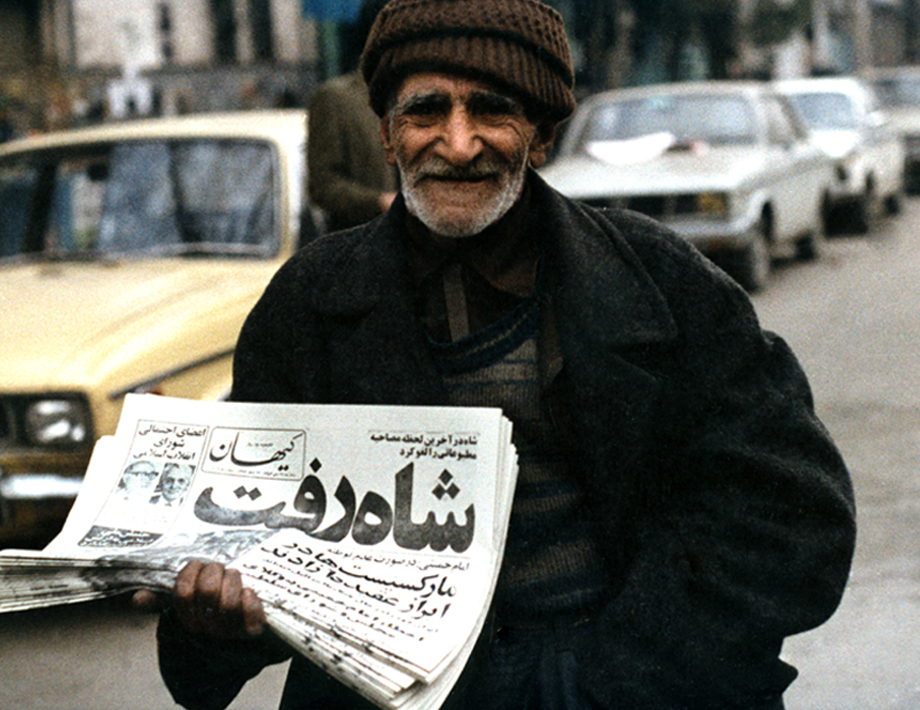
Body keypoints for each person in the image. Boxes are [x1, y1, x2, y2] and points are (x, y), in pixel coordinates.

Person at [140, 1, 856, 709]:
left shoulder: (660, 282)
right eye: (425, 112)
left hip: (631, 672)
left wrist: (627, 673)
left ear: (540, 136)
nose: (457, 144)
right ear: (386, 135)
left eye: (491, 110)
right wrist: (214, 618)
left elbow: (790, 520)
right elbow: (257, 543)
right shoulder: (310, 302)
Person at [305, 0, 397, 233]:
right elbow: (323, 185)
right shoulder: (337, 99)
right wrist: (379, 201)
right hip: (367, 241)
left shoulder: (422, 96)